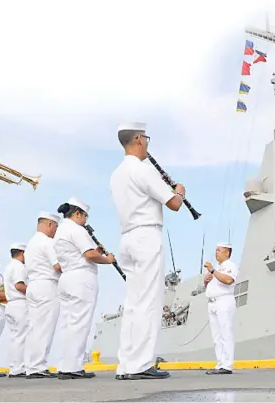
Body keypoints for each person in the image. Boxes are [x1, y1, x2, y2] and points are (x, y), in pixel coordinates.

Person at [109, 122, 185, 380]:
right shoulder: (142, 169)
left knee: (132, 304)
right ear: (140, 139)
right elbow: (174, 203)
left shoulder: (117, 173)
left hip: (127, 237)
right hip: (146, 235)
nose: (148, 144)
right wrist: (180, 191)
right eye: (147, 139)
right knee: (149, 302)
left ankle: (126, 364)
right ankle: (140, 364)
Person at [54, 197, 115, 380]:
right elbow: (89, 255)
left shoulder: (61, 230)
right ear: (78, 213)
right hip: (81, 278)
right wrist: (107, 259)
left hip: (66, 278)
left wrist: (94, 250)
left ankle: (65, 365)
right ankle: (73, 367)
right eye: (85, 216)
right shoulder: (76, 229)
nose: (86, 221)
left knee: (68, 324)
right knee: (80, 323)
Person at [23, 211, 62, 379]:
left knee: (34, 328)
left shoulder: (31, 243)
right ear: (49, 225)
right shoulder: (47, 242)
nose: (56, 231)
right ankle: (38, 366)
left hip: (33, 285)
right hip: (47, 286)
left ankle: (31, 365)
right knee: (45, 327)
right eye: (56, 227)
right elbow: (57, 266)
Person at [203, 243, 240, 375]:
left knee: (225, 333)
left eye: (219, 250)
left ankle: (227, 365)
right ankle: (220, 363)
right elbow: (214, 284)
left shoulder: (230, 266)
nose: (216, 253)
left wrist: (212, 271)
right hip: (212, 303)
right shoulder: (218, 268)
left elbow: (229, 280)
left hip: (224, 301)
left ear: (227, 253)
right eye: (216, 250)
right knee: (216, 336)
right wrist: (207, 281)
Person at [3, 243, 28, 378]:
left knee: (14, 338)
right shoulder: (19, 267)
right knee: (21, 337)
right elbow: (19, 285)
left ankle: (14, 367)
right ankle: (19, 368)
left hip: (11, 304)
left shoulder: (9, 266)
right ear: (22, 253)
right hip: (19, 304)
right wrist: (33, 291)